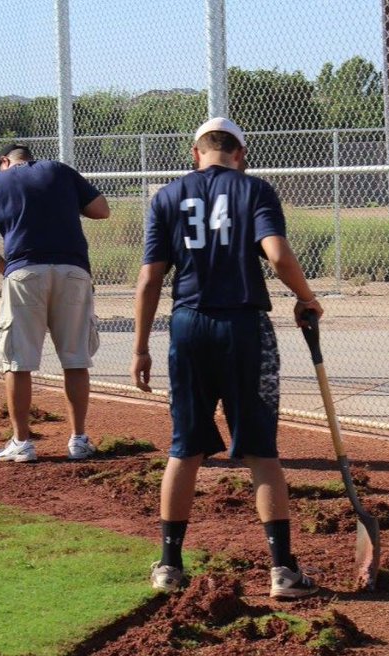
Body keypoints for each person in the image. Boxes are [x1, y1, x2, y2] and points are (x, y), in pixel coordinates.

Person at [131, 118, 325, 600]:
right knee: (261, 451)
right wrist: (307, 298)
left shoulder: (166, 197)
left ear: (195, 153)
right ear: (241, 152)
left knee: (185, 447)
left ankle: (169, 567)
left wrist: (140, 346)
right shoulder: (255, 189)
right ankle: (282, 571)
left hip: (188, 324)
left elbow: (150, 278)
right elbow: (277, 256)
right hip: (243, 326)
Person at [0, 143, 111, 463]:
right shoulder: (60, 171)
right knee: (75, 358)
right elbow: (102, 210)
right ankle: (78, 440)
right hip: (73, 272)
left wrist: (7, 271)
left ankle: (22, 443)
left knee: (18, 361)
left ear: (5, 161)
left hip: (23, 274)